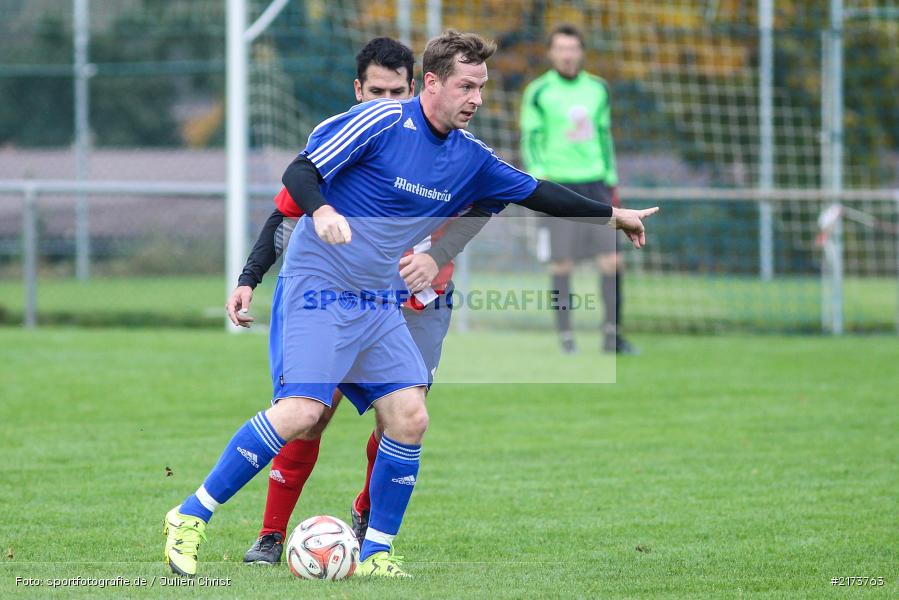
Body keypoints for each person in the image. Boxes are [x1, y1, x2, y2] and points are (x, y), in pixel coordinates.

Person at [163, 30, 657, 579]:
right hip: (318, 285)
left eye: (482, 87)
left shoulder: (473, 157)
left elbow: (537, 191)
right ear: (432, 83)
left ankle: (375, 553)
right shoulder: (381, 120)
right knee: (304, 413)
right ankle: (189, 515)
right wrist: (322, 212)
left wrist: (615, 216)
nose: (475, 98)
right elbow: (299, 173)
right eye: (465, 86)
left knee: (409, 415)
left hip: (378, 299)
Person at [224, 37, 492, 566]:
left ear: (416, 88)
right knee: (310, 413)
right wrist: (250, 276)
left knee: (402, 418)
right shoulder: (349, 141)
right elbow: (288, 213)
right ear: (357, 89)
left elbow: (484, 209)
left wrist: (437, 255)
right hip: (342, 298)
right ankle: (271, 534)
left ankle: (369, 521)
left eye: (396, 91)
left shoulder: (457, 152)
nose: (385, 101)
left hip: (419, 305)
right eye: (375, 91)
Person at [520, 23, 635, 355]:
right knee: (562, 264)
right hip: (558, 185)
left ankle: (613, 336)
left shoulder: (598, 89)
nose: (567, 55)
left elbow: (604, 136)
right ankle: (566, 338)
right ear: (552, 53)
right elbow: (531, 140)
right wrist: (539, 179)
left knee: (612, 261)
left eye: (572, 48)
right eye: (561, 49)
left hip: (596, 184)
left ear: (581, 52)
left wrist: (610, 180)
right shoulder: (539, 92)